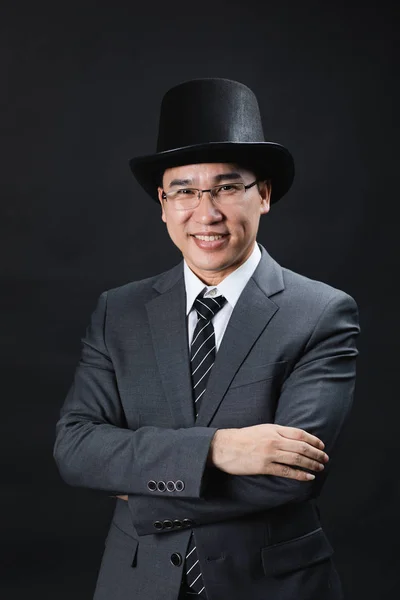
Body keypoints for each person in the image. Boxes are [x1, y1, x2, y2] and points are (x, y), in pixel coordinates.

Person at [53, 78, 360, 600]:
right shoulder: (118, 311)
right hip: (136, 584)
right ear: (163, 202)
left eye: (226, 186)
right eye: (186, 191)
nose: (207, 211)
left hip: (271, 587)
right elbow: (76, 447)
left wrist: (140, 489)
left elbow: (291, 477)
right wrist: (219, 450)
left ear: (262, 194)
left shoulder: (321, 313)